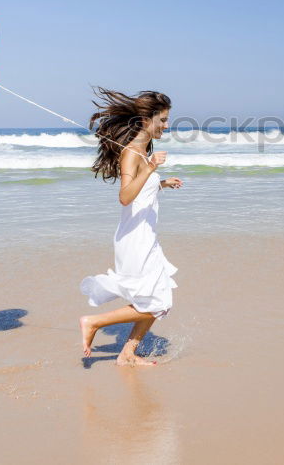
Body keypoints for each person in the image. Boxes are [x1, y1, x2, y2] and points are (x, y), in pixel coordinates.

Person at [79, 88, 182, 366]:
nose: (166, 125)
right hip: (135, 239)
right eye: (162, 119)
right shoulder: (132, 152)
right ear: (146, 120)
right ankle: (93, 322)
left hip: (147, 236)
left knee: (157, 298)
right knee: (157, 303)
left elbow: (140, 193)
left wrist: (161, 183)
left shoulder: (141, 151)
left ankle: (127, 355)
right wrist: (150, 168)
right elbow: (125, 197)